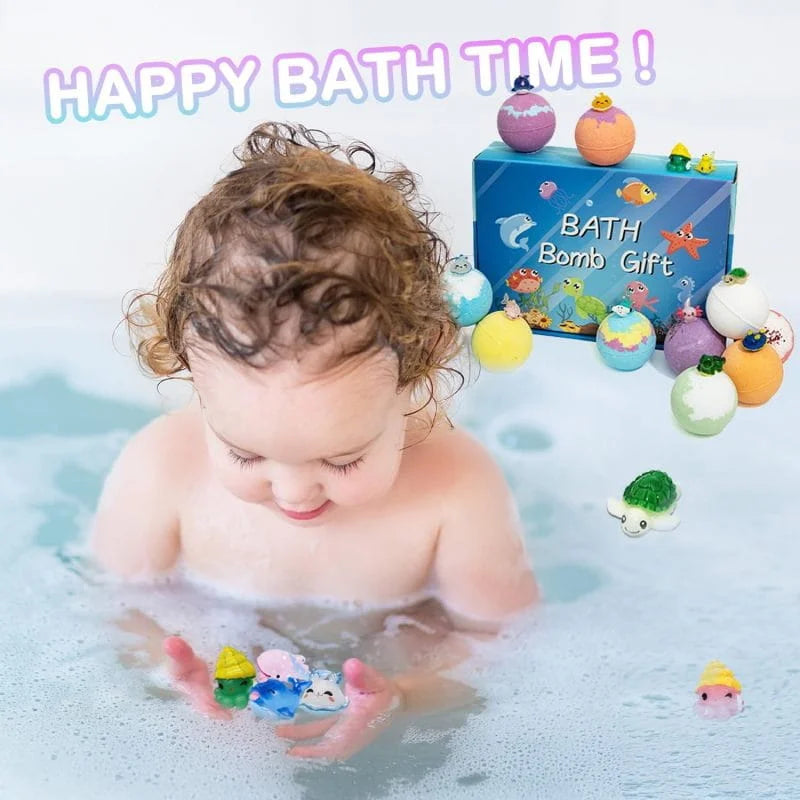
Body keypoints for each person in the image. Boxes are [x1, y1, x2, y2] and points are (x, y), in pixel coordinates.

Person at [91, 123, 538, 759]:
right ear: (190, 371)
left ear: (420, 370)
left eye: (343, 457)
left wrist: (408, 692)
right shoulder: (159, 472)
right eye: (244, 453)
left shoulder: (457, 489)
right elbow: (122, 611)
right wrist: (170, 670)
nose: (293, 490)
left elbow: (499, 638)